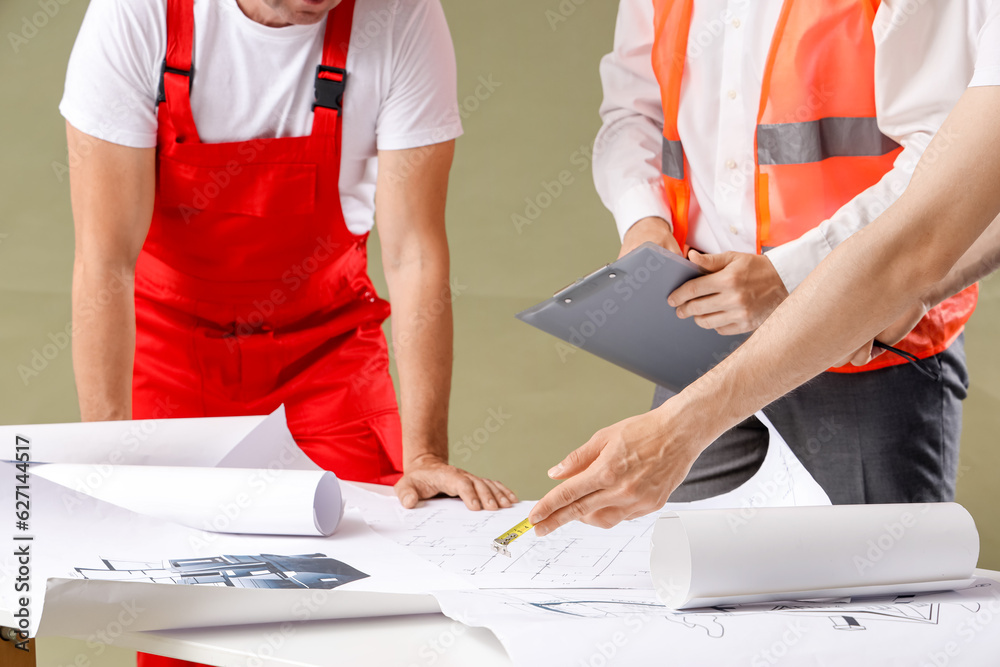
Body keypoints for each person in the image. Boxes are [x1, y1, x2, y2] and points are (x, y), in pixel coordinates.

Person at [62, 0, 515, 661]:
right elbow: (105, 258)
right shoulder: (139, 14)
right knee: (186, 611)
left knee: (371, 590)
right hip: (170, 353)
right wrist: (108, 457)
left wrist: (424, 454)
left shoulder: (401, 17)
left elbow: (414, 253)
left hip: (325, 349)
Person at [529, 1, 1000, 536]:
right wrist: (643, 218)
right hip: (700, 337)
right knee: (696, 587)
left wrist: (791, 274)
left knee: (870, 597)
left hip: (866, 343)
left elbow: (950, 168)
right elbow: (633, 109)